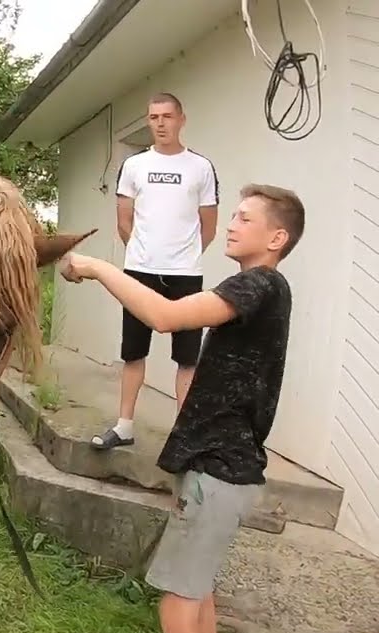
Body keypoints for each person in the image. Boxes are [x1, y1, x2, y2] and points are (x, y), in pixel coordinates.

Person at [58, 183, 302, 633]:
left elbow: (165, 317)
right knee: (198, 598)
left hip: (218, 473)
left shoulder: (260, 284)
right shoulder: (262, 291)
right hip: (223, 471)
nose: (230, 224)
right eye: (233, 215)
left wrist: (97, 268)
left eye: (245, 218)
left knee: (178, 608)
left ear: (277, 238)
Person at [95, 92, 219, 451]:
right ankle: (124, 426)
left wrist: (183, 257)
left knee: (187, 357)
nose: (160, 123)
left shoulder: (201, 167)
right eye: (153, 117)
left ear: (181, 119)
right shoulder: (134, 166)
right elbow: (124, 221)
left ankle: (184, 435)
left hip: (186, 274)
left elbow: (209, 226)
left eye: (167, 116)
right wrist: (144, 253)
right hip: (139, 271)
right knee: (133, 352)